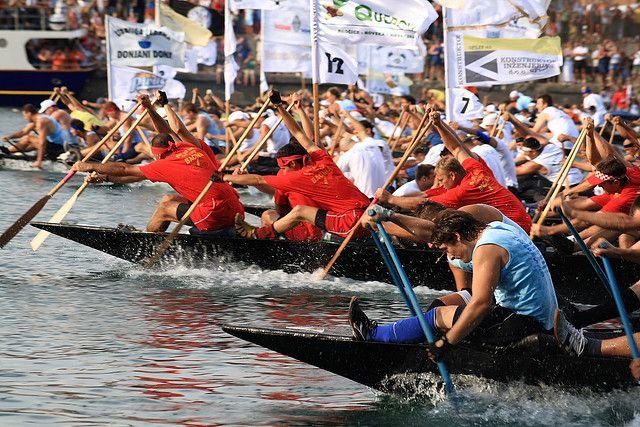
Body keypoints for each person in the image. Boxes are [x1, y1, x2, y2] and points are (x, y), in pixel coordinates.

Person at [348, 208, 558, 353]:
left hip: (524, 322)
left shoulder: (487, 248)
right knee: (442, 305)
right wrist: (387, 218)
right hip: (533, 314)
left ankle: (373, 334)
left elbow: (482, 303)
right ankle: (417, 342)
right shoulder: (495, 226)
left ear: (457, 236)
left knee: (438, 316)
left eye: (447, 249)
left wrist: (447, 343)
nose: (451, 256)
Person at [71, 93, 244, 233]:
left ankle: (147, 242)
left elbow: (125, 168)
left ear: (158, 156)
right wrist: (150, 108)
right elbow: (168, 131)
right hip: (236, 207)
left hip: (216, 213)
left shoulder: (164, 165)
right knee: (168, 198)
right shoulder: (190, 148)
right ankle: (156, 233)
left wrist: (89, 166)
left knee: (164, 210)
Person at [224, 91, 371, 240]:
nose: (282, 169)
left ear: (292, 163)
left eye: (283, 165)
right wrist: (294, 109)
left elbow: (269, 192)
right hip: (339, 220)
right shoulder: (319, 162)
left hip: (310, 230)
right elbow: (305, 136)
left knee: (268, 215)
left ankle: (259, 238)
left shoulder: (288, 176)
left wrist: (225, 176)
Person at [375, 111, 532, 232]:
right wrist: (438, 123)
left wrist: (390, 200)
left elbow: (424, 203)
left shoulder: (463, 190)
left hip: (515, 227)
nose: (440, 183)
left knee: (443, 229)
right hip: (517, 219)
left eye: (441, 179)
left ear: (452, 175)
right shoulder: (476, 170)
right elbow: (456, 148)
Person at [1, 103, 69, 168]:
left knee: (28, 138)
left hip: (58, 147)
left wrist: (38, 161)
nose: (25, 118)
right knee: (28, 140)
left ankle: (8, 151)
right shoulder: (39, 118)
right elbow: (23, 132)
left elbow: (42, 143)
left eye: (24, 115)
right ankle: (7, 151)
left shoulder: (42, 121)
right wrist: (9, 137)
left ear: (29, 113)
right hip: (54, 144)